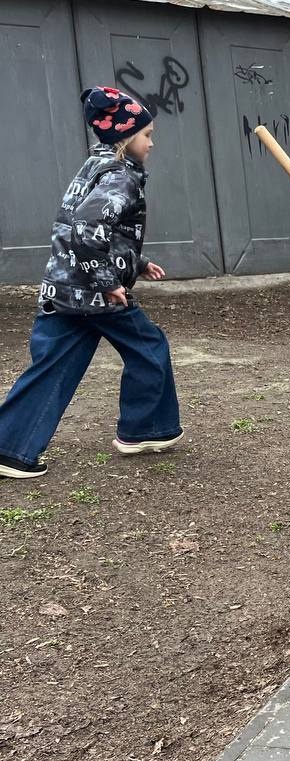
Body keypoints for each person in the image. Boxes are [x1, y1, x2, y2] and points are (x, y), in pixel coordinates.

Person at [0, 87, 182, 479]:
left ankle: (10, 448)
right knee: (149, 346)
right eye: (147, 135)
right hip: (95, 294)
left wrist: (138, 262)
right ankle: (144, 429)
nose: (152, 144)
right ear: (125, 137)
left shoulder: (92, 168)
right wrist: (106, 281)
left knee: (53, 364)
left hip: (63, 287)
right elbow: (86, 228)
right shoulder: (121, 178)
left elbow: (89, 229)